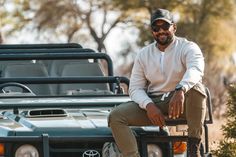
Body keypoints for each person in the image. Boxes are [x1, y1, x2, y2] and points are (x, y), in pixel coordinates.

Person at [108, 8, 207, 157]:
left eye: (165, 26)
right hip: (155, 103)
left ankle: (193, 150)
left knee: (197, 88)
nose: (161, 31)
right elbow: (135, 88)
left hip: (182, 103)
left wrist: (180, 90)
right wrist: (149, 105)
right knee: (115, 116)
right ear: (152, 31)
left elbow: (196, 69)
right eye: (156, 28)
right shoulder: (144, 54)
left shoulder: (188, 47)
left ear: (174, 27)